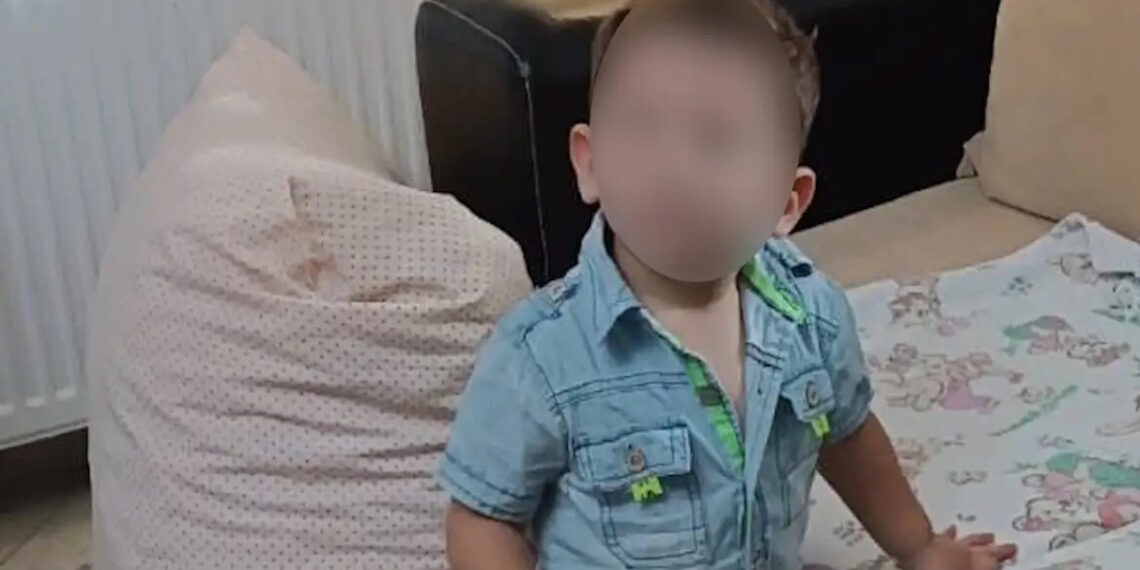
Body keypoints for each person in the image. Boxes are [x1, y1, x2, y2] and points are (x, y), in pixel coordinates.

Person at [437, 0, 1018, 568]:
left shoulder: (810, 316)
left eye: (716, 138)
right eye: (641, 126)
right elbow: (484, 515)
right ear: (589, 163)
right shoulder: (543, 353)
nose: (673, 168)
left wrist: (919, 546)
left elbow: (846, 434)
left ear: (786, 202)